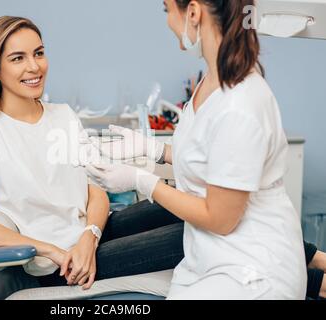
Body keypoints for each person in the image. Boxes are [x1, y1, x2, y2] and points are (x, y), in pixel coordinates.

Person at [0, 16, 184, 299]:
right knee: (190, 236)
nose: (34, 66)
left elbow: (96, 190)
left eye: (39, 53)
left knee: (185, 201)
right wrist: (52, 251)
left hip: (90, 235)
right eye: (18, 58)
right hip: (56, 264)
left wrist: (90, 235)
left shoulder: (63, 115)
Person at [86, 0, 308, 299]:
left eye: (166, 9)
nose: (166, 21)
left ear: (193, 12)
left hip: (253, 271)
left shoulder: (239, 105)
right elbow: (212, 162)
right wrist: (156, 151)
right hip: (208, 258)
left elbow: (220, 218)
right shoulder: (213, 80)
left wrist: (143, 181)